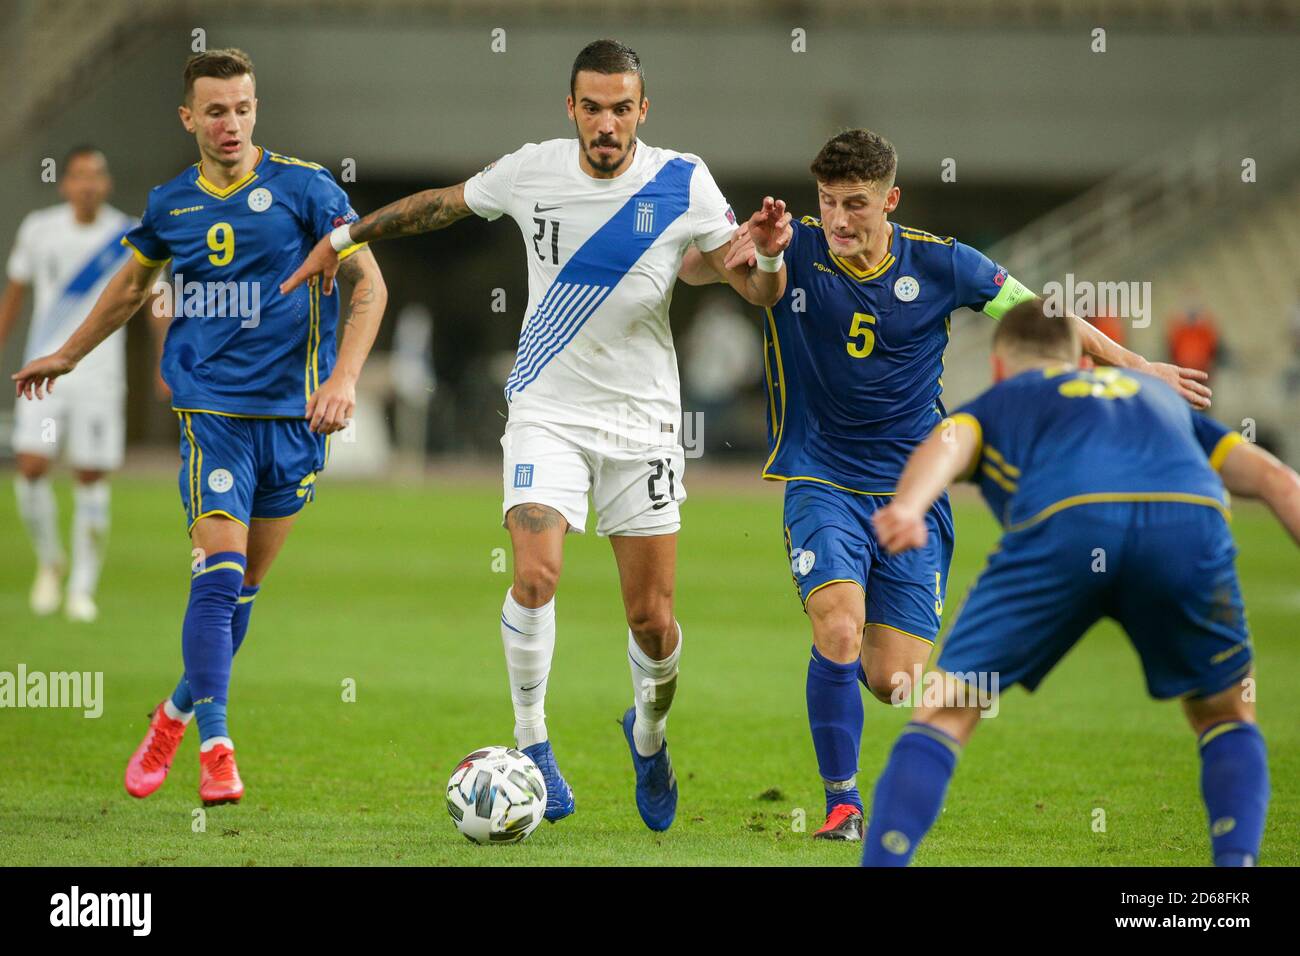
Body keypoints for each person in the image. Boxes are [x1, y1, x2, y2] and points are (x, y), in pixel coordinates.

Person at [282, 38, 787, 832]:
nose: (607, 123)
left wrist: (769, 257)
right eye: (593, 107)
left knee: (652, 620)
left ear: (642, 110)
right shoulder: (531, 169)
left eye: (622, 107)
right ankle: (535, 745)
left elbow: (751, 286)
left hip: (644, 422)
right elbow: (442, 204)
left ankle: (648, 737)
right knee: (537, 575)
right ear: (571, 109)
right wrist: (347, 238)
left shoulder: (682, 179)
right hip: (546, 411)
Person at [678, 128, 1212, 840]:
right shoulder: (796, 243)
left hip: (912, 490)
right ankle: (842, 804)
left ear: (890, 201)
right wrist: (746, 247)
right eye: (829, 201)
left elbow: (1036, 315)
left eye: (856, 204)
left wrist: (1134, 365)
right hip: (821, 477)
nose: (838, 219)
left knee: (894, 682)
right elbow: (695, 270)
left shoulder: (943, 263)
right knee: (837, 623)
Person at [13, 48, 389, 806]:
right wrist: (67, 352)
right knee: (217, 581)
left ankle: (173, 716)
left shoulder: (306, 188)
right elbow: (129, 291)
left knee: (241, 595)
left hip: (293, 422)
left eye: (243, 108)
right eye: (215, 111)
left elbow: (369, 287)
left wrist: (344, 379)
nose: (232, 124)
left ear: (257, 109)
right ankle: (217, 748)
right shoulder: (171, 204)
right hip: (211, 414)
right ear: (188, 118)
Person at [863, 298, 1297, 866]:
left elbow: (950, 443)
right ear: (1082, 363)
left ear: (1000, 365)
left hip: (1069, 525)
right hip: (1187, 528)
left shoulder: (1003, 398)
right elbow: (1276, 479)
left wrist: (909, 506)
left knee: (947, 709)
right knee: (1224, 713)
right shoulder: (1154, 398)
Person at [0, 147, 142, 621]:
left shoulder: (128, 233)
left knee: (89, 475)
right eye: (79, 176)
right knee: (33, 464)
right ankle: (50, 560)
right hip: (44, 374)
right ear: (64, 183)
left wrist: (169, 359)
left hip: (100, 378)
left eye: (97, 175)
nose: (88, 184)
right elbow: (13, 297)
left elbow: (153, 297)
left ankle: (83, 587)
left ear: (107, 183)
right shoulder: (40, 229)